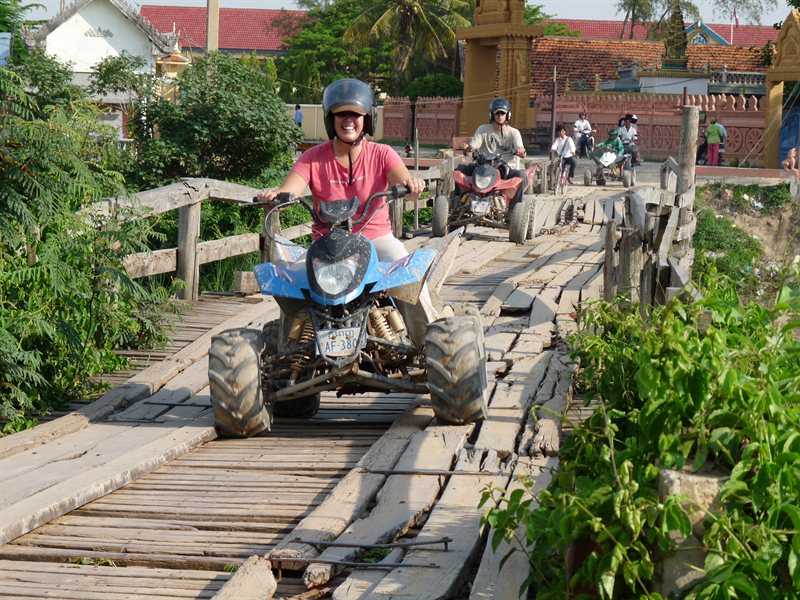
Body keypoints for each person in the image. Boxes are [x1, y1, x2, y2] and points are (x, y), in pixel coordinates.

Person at [257, 78, 436, 345]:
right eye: (341, 114)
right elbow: (290, 189)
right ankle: (288, 351)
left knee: (409, 273)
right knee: (290, 284)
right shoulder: (313, 157)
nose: (348, 120)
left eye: (355, 113)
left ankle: (428, 342)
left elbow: (403, 181)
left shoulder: (382, 154)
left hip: (376, 240)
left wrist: (412, 185)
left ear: (368, 118)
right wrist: (275, 196)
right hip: (325, 245)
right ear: (331, 119)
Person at [459, 97, 527, 208]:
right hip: (484, 166)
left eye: (502, 113)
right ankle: (458, 203)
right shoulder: (483, 129)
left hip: (504, 168)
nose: (500, 116)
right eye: (497, 113)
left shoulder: (514, 133)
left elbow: (521, 150)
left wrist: (520, 151)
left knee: (521, 175)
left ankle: (514, 208)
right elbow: (472, 147)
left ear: (508, 115)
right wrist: (467, 148)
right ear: (492, 115)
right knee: (460, 169)